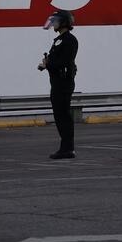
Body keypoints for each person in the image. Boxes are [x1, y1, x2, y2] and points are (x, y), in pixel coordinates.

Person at [38, 9, 79, 160]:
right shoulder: (58, 40)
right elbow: (55, 60)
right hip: (56, 82)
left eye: (56, 21)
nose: (54, 24)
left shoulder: (70, 40)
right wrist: (46, 64)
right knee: (59, 115)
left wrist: (49, 64)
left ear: (64, 23)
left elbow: (64, 62)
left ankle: (68, 149)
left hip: (64, 82)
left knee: (63, 116)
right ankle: (65, 148)